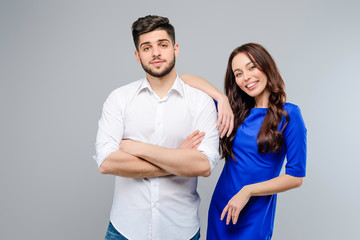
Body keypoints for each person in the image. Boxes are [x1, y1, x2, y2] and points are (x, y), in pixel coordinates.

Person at [93, 15, 221, 240]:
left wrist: (136, 148)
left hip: (181, 231)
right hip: (124, 230)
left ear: (175, 49)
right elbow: (106, 162)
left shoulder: (200, 102)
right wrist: (180, 159)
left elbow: (203, 165)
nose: (155, 53)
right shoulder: (119, 99)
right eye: (146, 47)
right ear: (137, 55)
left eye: (163, 45)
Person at [181, 43, 307, 239]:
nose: (246, 77)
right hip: (222, 208)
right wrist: (221, 98)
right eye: (238, 73)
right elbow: (185, 79)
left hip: (255, 214)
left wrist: (248, 191)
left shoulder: (289, 114)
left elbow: (295, 177)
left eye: (251, 67)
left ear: (267, 67)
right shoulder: (233, 112)